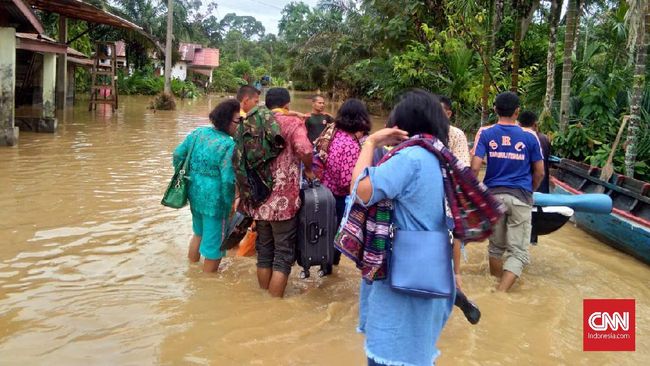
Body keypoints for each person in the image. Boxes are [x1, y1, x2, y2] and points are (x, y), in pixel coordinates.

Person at [352, 90, 454, 366]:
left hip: (402, 275)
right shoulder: (438, 156)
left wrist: (370, 143)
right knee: (417, 352)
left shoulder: (410, 158)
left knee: (390, 354)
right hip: (430, 270)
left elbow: (362, 190)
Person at [471, 92, 544, 292]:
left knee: (495, 248)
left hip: (493, 198)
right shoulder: (530, 136)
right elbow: (539, 172)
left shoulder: (485, 133)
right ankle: (500, 293)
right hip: (521, 197)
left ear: (495, 110)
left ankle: (496, 283)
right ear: (517, 112)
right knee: (518, 252)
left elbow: (475, 168)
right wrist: (530, 191)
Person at [248, 87, 315, 298]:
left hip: (258, 198)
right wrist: (310, 170)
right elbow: (305, 150)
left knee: (264, 253)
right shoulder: (292, 123)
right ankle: (273, 305)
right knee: (283, 255)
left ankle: (263, 299)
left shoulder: (253, 122)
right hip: (283, 201)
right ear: (287, 105)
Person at [173, 99, 241, 273]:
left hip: (194, 193)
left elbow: (178, 154)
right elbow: (227, 180)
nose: (239, 125)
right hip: (215, 201)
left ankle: (192, 270)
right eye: (237, 121)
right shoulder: (228, 144)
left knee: (198, 233)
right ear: (227, 120)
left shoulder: (198, 133)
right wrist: (230, 205)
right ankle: (206, 285)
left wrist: (188, 175)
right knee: (215, 246)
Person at [439, 95, 481, 324]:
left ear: (449, 113)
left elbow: (463, 167)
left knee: (452, 236)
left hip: (448, 194)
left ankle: (456, 277)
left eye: (441, 111)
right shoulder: (425, 132)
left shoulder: (455, 134)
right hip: (431, 196)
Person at [320, 98, 371, 271]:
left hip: (323, 193)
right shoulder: (350, 144)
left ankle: (325, 272)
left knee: (324, 238)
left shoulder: (333, 133)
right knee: (336, 242)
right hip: (338, 198)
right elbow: (347, 181)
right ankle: (330, 273)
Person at [519, 111, 551, 193]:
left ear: (519, 124)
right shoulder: (544, 138)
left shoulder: (518, 139)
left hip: (525, 187)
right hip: (542, 185)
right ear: (535, 124)